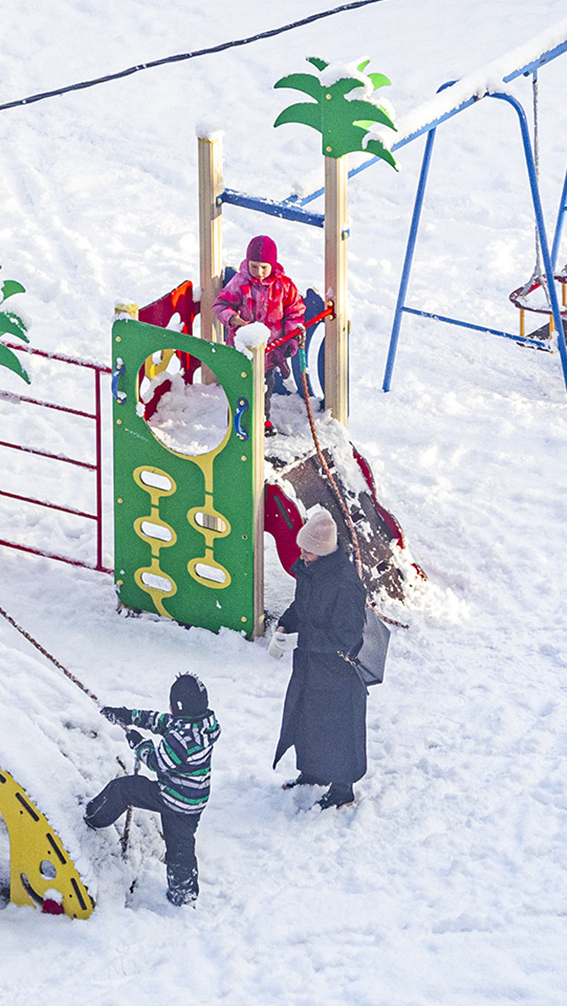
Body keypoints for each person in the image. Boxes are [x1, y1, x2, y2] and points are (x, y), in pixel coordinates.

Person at [84, 674, 220, 905]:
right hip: (194, 797)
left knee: (123, 789)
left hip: (173, 796)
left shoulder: (182, 738)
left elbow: (158, 762)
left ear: (179, 707)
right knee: (181, 844)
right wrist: (127, 715)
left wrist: (139, 744)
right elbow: (161, 721)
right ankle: (183, 892)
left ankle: (93, 817)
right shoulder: (201, 724)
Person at [272, 505, 369, 809]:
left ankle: (342, 789)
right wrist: (285, 625)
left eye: (308, 551)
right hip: (311, 665)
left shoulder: (345, 583)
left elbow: (348, 636)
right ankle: (314, 771)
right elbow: (300, 605)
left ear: (323, 552)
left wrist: (302, 639)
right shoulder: (309, 570)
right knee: (307, 719)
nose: (302, 554)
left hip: (338, 671)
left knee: (338, 728)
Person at [213, 235, 306, 433]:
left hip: (270, 352)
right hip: (242, 350)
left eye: (264, 267)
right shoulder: (240, 282)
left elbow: (295, 311)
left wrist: (291, 335)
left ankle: (262, 420)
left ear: (273, 264)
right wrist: (232, 318)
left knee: (265, 387)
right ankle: (236, 421)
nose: (259, 272)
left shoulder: (284, 285)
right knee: (240, 387)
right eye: (254, 266)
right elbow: (221, 304)